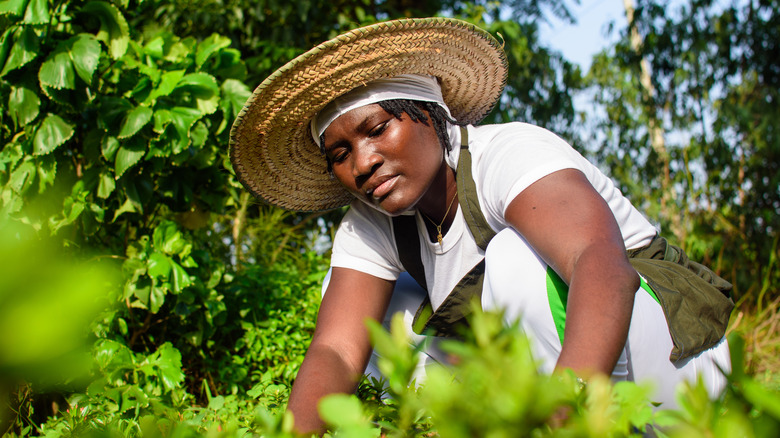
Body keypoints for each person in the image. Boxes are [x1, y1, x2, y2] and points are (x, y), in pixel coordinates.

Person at [229, 17, 735, 434]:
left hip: (667, 362)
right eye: (340, 154)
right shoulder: (372, 223)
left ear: (431, 113)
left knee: (515, 259)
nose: (362, 163)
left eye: (378, 129)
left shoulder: (507, 155)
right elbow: (336, 350)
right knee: (371, 309)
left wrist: (561, 415)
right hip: (543, 383)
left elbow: (602, 267)